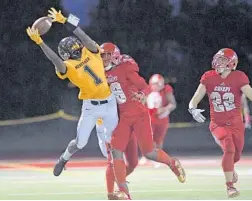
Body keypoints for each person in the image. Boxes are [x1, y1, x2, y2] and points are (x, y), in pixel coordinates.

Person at [26, 8, 118, 176]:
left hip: (109, 103)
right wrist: (42, 41)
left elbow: (83, 37)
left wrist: (64, 21)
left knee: (112, 146)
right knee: (81, 143)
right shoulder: (69, 65)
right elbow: (57, 59)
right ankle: (64, 158)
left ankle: (119, 176)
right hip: (91, 107)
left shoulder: (90, 51)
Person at [101, 42, 186, 200]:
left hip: (139, 115)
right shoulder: (103, 74)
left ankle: (172, 163)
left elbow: (144, 86)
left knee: (149, 153)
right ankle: (124, 192)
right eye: (102, 56)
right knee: (116, 151)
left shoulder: (125, 67)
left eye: (106, 55)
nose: (103, 58)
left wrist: (142, 94)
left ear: (115, 56)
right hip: (125, 116)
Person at [188, 48, 252, 198]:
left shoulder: (239, 77)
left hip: (236, 124)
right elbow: (195, 98)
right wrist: (192, 109)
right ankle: (230, 186)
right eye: (218, 59)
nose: (218, 62)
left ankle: (230, 168)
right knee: (229, 149)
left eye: (223, 60)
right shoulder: (208, 77)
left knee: (236, 155)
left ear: (232, 63)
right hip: (218, 124)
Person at [95, 119, 138, 200]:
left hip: (127, 129)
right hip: (110, 132)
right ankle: (112, 195)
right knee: (112, 162)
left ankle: (118, 181)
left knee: (133, 163)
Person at [140, 74, 176, 168]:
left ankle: (158, 158)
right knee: (148, 138)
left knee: (159, 140)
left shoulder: (166, 89)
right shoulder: (147, 90)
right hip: (150, 117)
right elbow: (141, 103)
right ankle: (146, 156)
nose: (157, 86)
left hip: (162, 118)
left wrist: (163, 110)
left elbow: (172, 104)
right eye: (155, 84)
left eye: (159, 84)